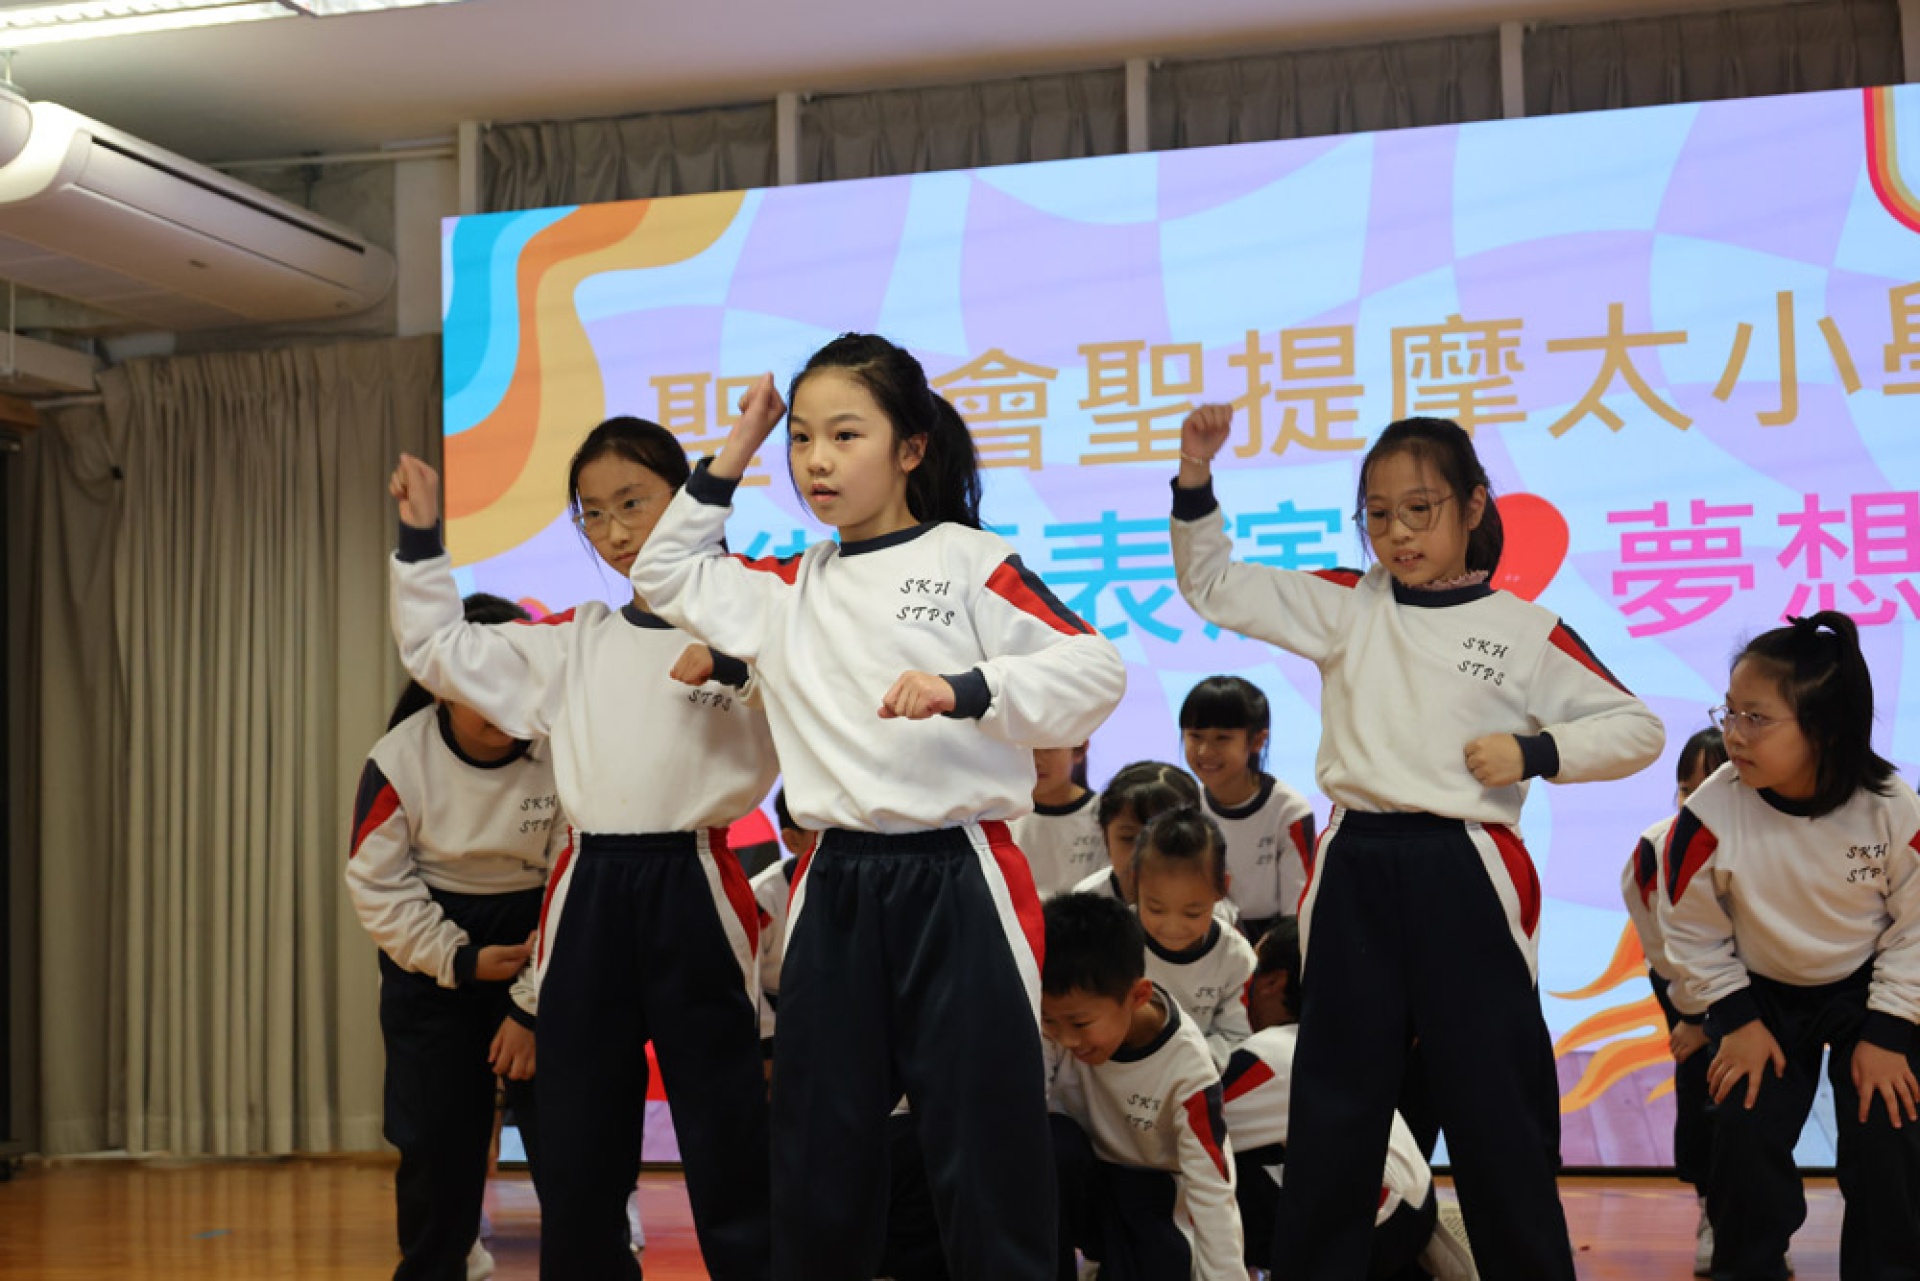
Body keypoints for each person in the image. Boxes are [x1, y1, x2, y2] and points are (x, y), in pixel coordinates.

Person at [630, 333, 1127, 1281]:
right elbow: (662, 573)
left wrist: (964, 689)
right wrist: (738, 445)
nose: (816, 460)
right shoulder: (785, 587)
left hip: (961, 876)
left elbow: (1094, 669)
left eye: (845, 435)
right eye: (802, 438)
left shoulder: (971, 560)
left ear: (911, 448)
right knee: (820, 1148)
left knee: (986, 1144)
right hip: (837, 881)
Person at [1172, 407, 1665, 1278]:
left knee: (1494, 1107)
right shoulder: (1347, 604)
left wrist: (1535, 751)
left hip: (1467, 866)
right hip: (1357, 863)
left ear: (1473, 506)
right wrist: (1195, 477)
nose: (1397, 533)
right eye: (1377, 514)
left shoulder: (1524, 629)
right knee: (1335, 1107)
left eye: (1419, 510)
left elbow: (1636, 728)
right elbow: (1213, 583)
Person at [387, 418, 778, 1281]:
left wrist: (733, 666)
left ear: (686, 498)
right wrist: (419, 539)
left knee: (725, 1130)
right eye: (592, 514)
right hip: (589, 886)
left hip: (694, 880)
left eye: (632, 503)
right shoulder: (577, 639)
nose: (614, 531)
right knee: (578, 1139)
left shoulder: (759, 615)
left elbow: (812, 695)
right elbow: (439, 651)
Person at [1659, 612, 1920, 1280]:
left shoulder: (1891, 806)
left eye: (1756, 718)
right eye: (1730, 712)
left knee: (1888, 1132)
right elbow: (1689, 930)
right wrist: (1734, 1020)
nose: (1733, 734)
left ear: (1825, 729)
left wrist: (1889, 1031)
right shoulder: (1709, 814)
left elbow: (1915, 928)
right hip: (1761, 991)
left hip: (1868, 987)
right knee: (1743, 1135)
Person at [348, 592, 556, 1281]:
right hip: (433, 959)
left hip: (541, 943)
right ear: (440, 683)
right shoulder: (397, 757)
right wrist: (459, 960)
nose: (502, 702)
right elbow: (377, 883)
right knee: (435, 1142)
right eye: (478, 683)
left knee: (571, 1140)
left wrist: (528, 1002)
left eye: (514, 681)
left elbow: (580, 881)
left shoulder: (565, 746)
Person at [1226, 920, 1477, 1281]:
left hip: (1377, 1221)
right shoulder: (1330, 1046)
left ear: (1272, 982)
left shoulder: (1266, 1054)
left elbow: (1193, 1124)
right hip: (1416, 1213)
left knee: (1202, 1172)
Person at [1040, 892, 1242, 1280]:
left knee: (1165, 1259)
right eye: (1050, 1021)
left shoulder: (1189, 1071)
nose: (1066, 1039)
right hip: (1078, 1179)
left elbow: (1213, 1190)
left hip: (1149, 1190)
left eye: (1080, 1024)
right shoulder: (1051, 1028)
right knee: (1048, 1142)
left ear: (1137, 996)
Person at [1619, 726, 1728, 1275]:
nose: (1695, 802)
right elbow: (1660, 946)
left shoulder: (1764, 841)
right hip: (1684, 991)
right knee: (1701, 1093)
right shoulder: (1654, 848)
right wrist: (1693, 1017)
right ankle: (1713, 1213)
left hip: (1760, 995)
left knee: (1757, 1107)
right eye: (1687, 789)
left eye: (1711, 788)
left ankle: (1760, 1221)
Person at [1179, 676, 1316, 939]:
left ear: (1257, 741)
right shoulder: (1186, 806)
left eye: (1222, 738)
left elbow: (1297, 912)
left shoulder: (1288, 811)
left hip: (1271, 943)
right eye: (1195, 736)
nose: (1205, 751)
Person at [1132, 806, 1258, 1066]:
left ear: (1221, 889)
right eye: (1155, 909)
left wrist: (1181, 1065)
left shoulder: (1235, 957)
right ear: (1136, 884)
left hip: (1197, 1072)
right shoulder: (1116, 942)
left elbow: (1236, 1037)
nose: (1173, 927)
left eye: (1192, 913)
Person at [1010, 742, 1104, 898]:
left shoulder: (1104, 815)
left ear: (1080, 749)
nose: (1036, 760)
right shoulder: (999, 816)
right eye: (1026, 748)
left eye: (1048, 748)